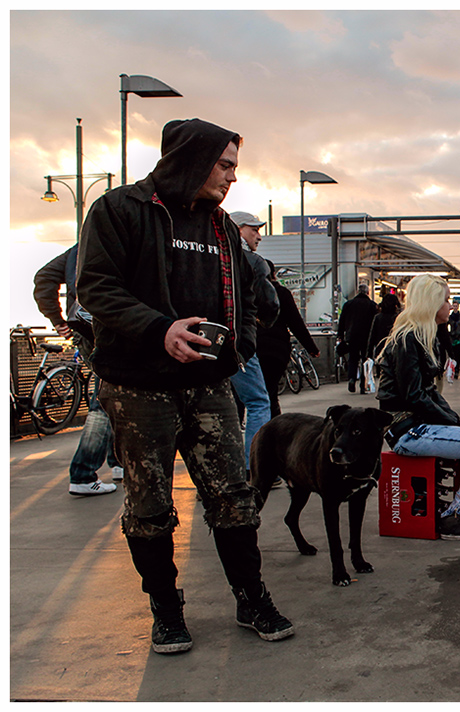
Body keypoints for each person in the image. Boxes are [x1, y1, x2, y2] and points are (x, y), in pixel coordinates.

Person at [77, 118, 294, 655]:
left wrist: (238, 346)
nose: (231, 178)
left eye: (234, 167)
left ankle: (251, 598)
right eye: (224, 165)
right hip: (137, 387)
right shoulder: (120, 210)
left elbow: (248, 289)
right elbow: (96, 287)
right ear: (191, 160)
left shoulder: (219, 226)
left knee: (234, 497)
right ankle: (166, 610)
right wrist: (159, 329)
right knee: (149, 505)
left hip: (208, 385)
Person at [375, 274, 460, 540]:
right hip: (406, 431)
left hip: (421, 425)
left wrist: (452, 419)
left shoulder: (425, 335)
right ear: (430, 303)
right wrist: (451, 422)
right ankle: (457, 514)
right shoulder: (407, 339)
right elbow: (415, 396)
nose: (451, 306)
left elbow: (427, 394)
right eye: (446, 300)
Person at [32, 244, 120, 495]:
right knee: (104, 400)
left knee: (112, 392)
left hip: (84, 328)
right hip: (109, 328)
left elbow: (44, 277)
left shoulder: (78, 249)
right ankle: (83, 473)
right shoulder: (112, 241)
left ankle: (117, 462)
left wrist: (58, 320)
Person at [227, 211, 280, 474]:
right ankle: (254, 465)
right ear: (237, 230)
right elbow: (269, 303)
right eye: (253, 230)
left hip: (202, 338)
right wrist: (263, 322)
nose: (258, 236)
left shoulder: (209, 256)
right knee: (258, 401)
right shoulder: (253, 261)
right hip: (237, 342)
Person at [257, 259, 320, 419]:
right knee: (270, 391)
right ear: (273, 274)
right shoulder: (282, 293)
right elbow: (296, 323)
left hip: (252, 348)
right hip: (276, 350)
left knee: (252, 393)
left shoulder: (248, 293)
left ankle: (248, 426)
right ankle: (272, 427)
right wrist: (311, 348)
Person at [337, 284, 379, 394]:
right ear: (368, 293)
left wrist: (340, 335)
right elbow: (376, 324)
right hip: (367, 338)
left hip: (352, 336)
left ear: (357, 292)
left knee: (353, 358)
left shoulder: (348, 305)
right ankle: (363, 385)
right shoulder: (372, 305)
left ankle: (351, 379)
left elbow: (342, 321)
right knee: (366, 360)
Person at [366, 292, 402, 360]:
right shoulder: (398, 318)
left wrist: (369, 354)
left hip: (380, 351)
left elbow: (372, 336)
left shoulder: (378, 318)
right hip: (395, 351)